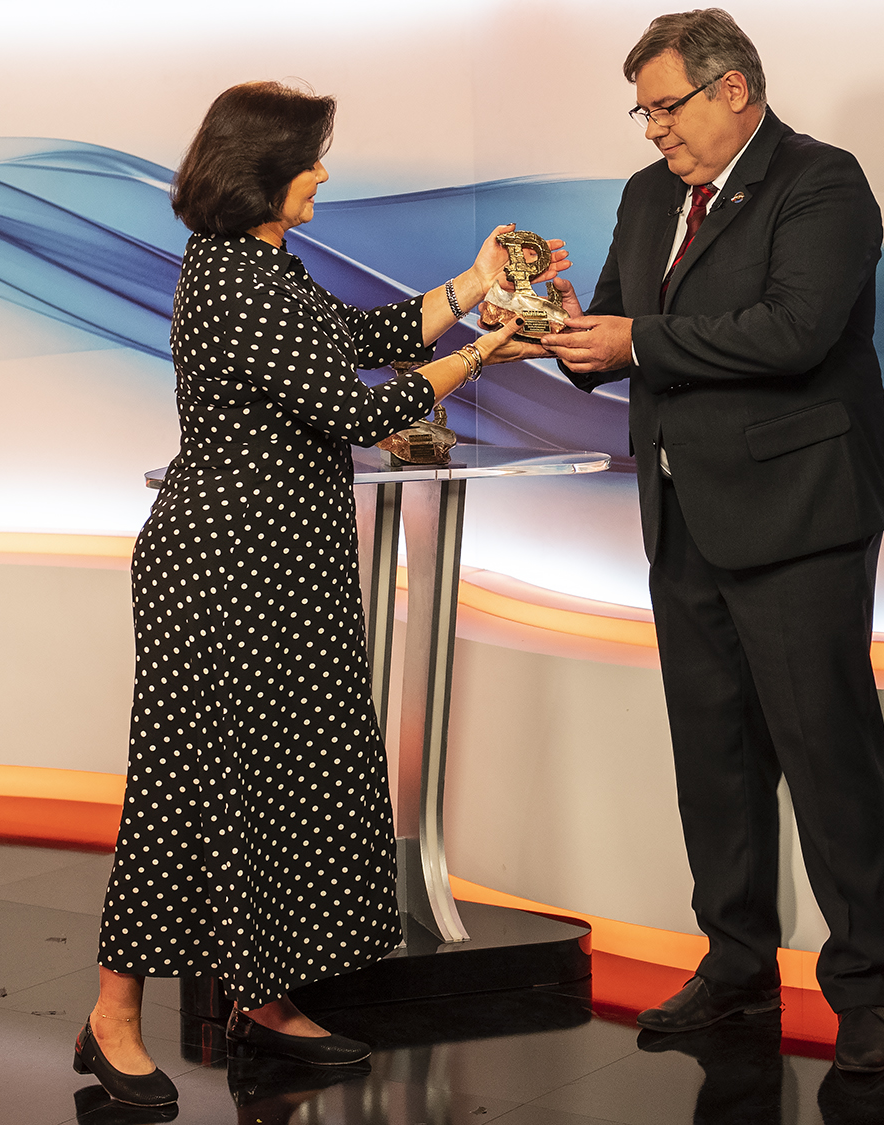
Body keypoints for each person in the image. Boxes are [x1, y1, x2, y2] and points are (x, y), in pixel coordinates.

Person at [73, 81, 555, 1108]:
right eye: (310, 158)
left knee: (284, 781)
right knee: (186, 788)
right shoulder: (234, 280)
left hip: (284, 567)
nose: (323, 173)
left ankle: (261, 994)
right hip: (223, 571)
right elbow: (353, 406)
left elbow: (365, 336)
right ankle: (112, 1015)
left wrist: (474, 285)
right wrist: (483, 350)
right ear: (262, 172)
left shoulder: (265, 267)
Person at [533, 8, 884, 1071]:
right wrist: (559, 330)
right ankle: (736, 965)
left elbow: (794, 331)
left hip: (800, 514)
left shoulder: (822, 181)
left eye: (666, 107)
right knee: (714, 759)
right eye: (643, 113)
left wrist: (635, 340)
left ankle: (862, 996)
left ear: (732, 88)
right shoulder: (648, 195)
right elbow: (618, 330)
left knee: (824, 757)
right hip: (683, 511)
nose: (653, 129)